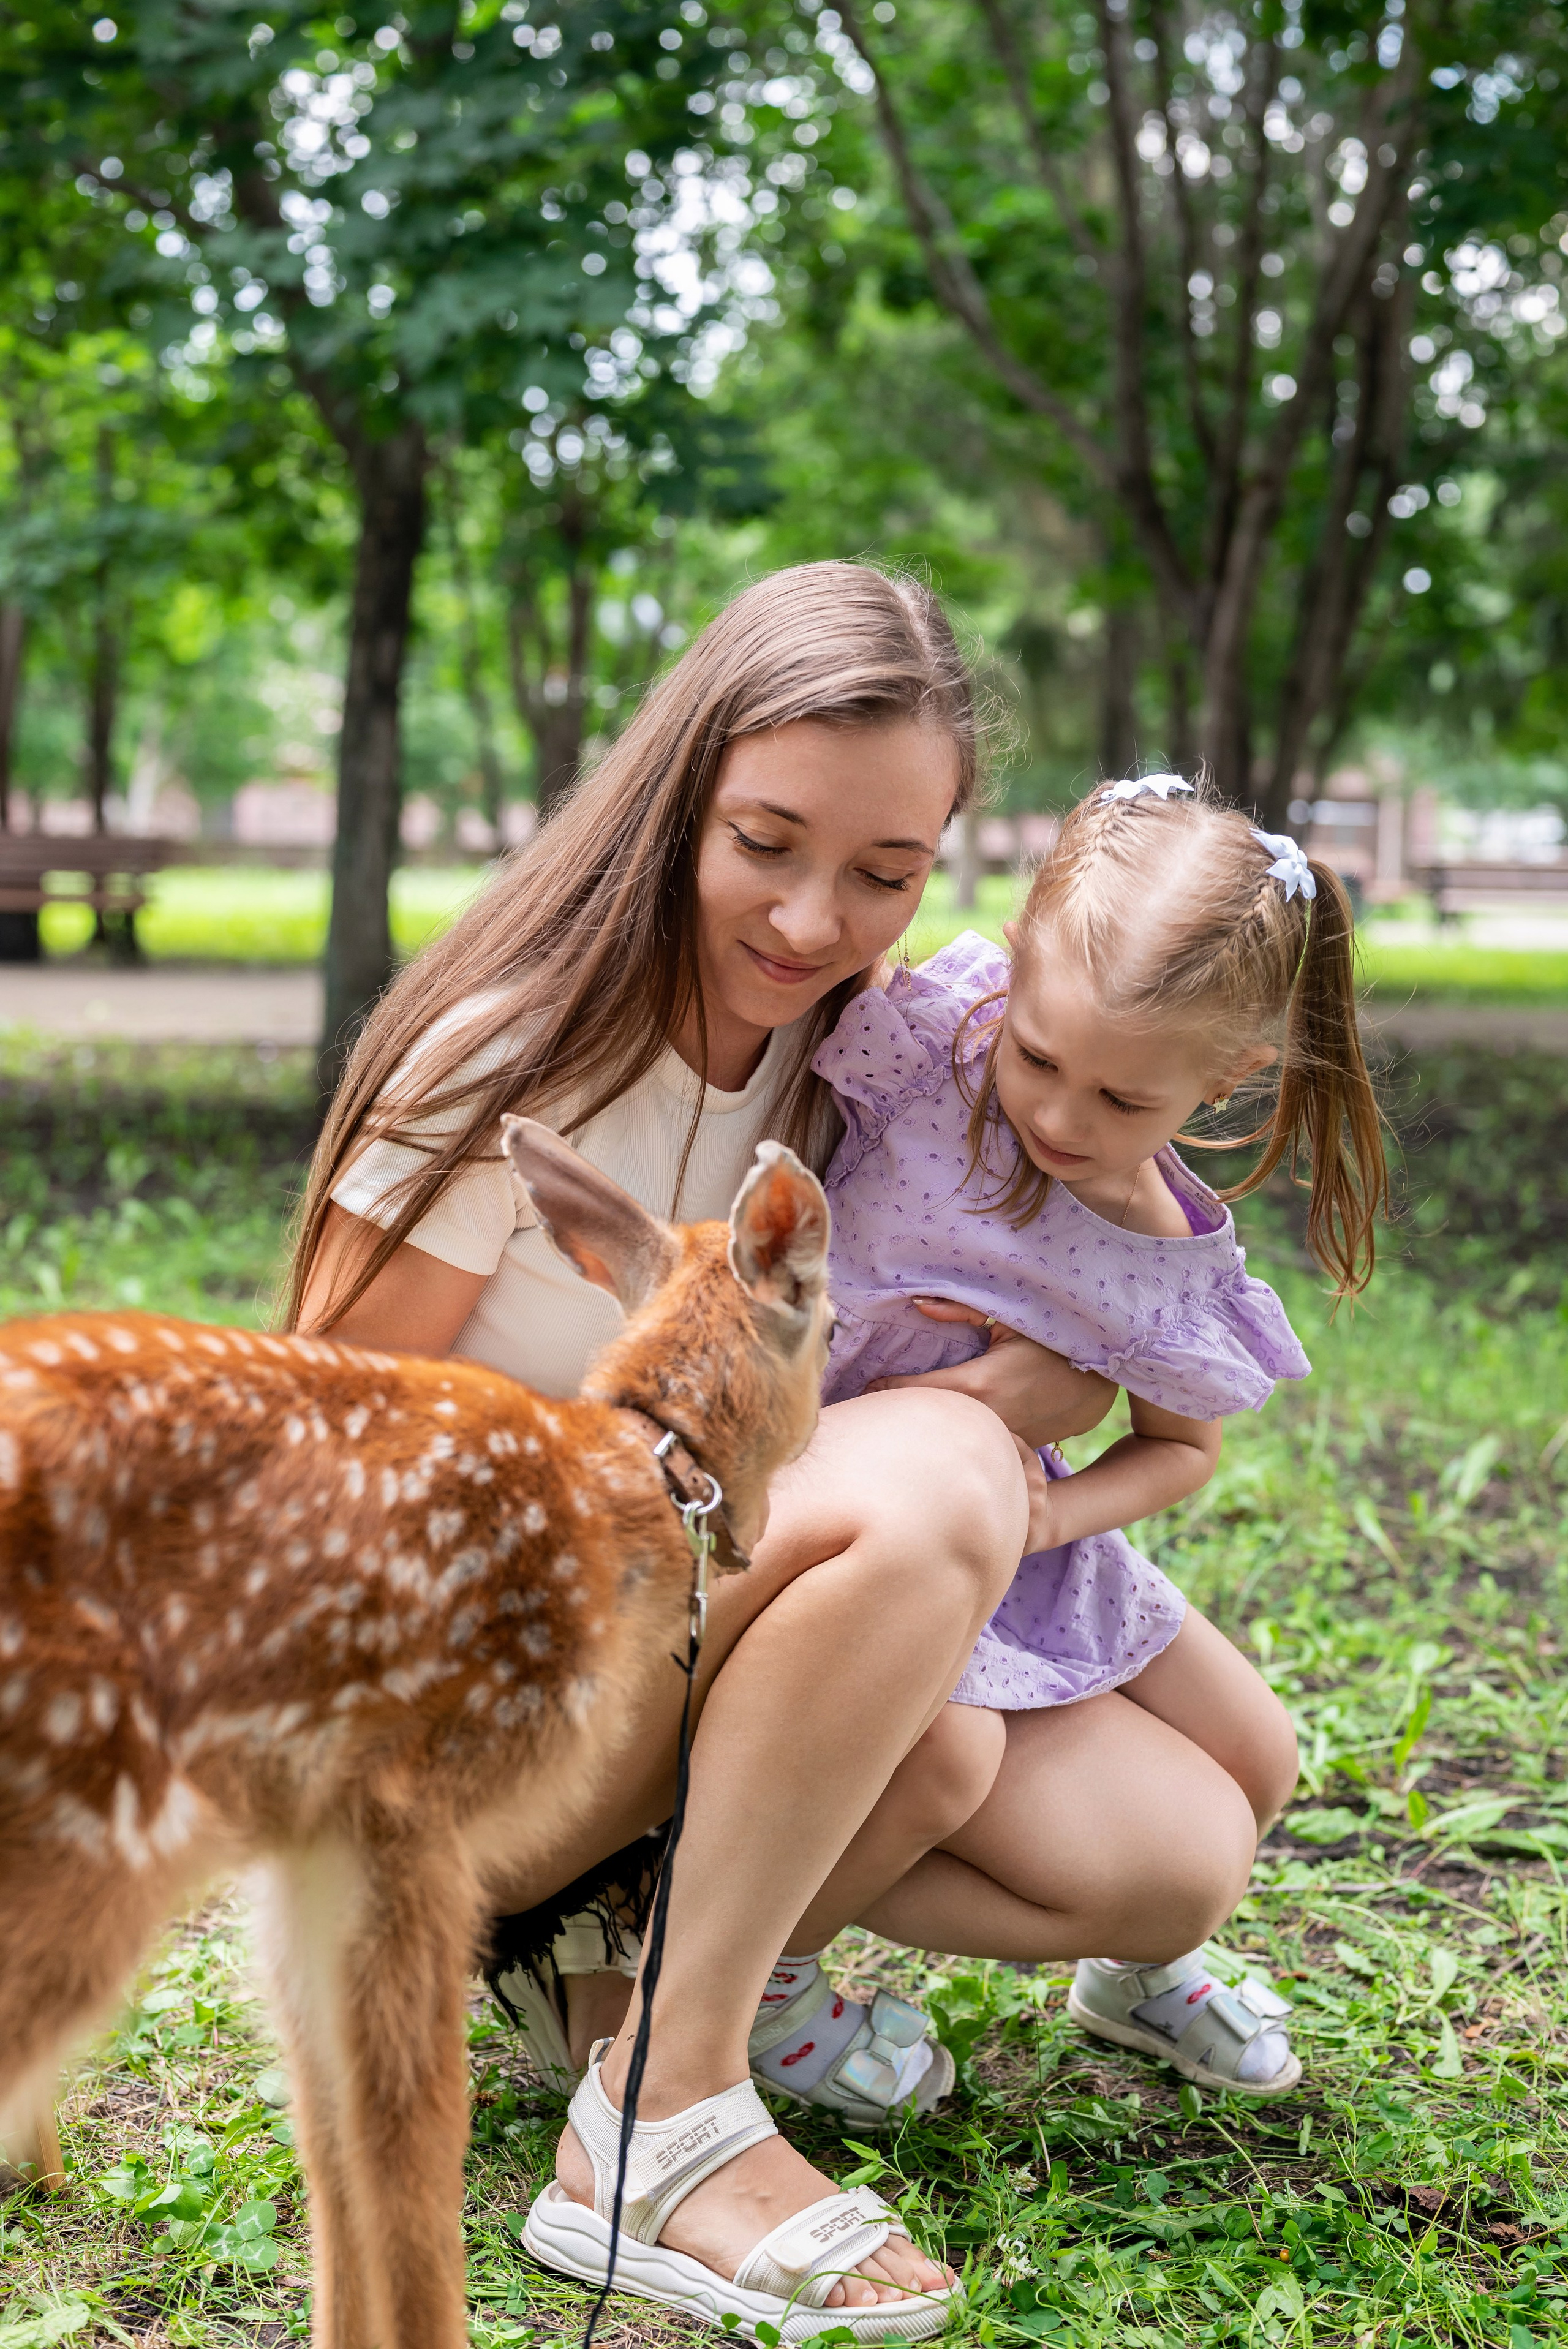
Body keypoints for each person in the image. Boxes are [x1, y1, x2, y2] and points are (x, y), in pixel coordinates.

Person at [285, 567, 1279, 2337]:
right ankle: (655, 2120)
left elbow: (1064, 1148)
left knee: (1176, 1844)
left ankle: (619, 1981)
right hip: (472, 1723)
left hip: (683, 1659)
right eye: (767, 841)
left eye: (886, 874)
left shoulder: (853, 1060)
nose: (817, 918)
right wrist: (973, 1423)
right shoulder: (505, 1060)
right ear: (680, 795)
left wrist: (1061, 1353)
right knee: (945, 1480)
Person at [795, 771, 1388, 2097]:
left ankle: (1132, 1973)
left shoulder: (1161, 1256)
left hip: (1023, 1523)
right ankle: (769, 1957)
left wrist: (1056, 1514)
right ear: (1007, 973)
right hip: (860, 1518)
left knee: (1259, 1757)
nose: (1059, 1119)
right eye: (1041, 1059)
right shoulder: (932, 1044)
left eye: (1123, 1102)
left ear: (1227, 1076)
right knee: (949, 1772)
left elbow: (1182, 1448)